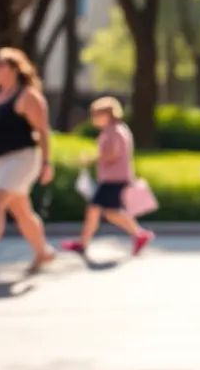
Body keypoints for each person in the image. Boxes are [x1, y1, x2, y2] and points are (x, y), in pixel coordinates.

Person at [0, 47, 56, 277]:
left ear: (15, 68)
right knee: (21, 211)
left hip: (21, 159)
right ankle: (43, 251)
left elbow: (43, 132)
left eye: (0, 63)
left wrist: (46, 163)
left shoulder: (28, 95)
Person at [61, 97, 154, 258]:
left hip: (114, 178)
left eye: (97, 114)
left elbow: (113, 154)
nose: (94, 119)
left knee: (95, 209)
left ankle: (84, 243)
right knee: (108, 212)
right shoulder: (116, 129)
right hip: (113, 177)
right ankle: (138, 234)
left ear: (108, 114)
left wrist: (91, 159)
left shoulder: (115, 131)